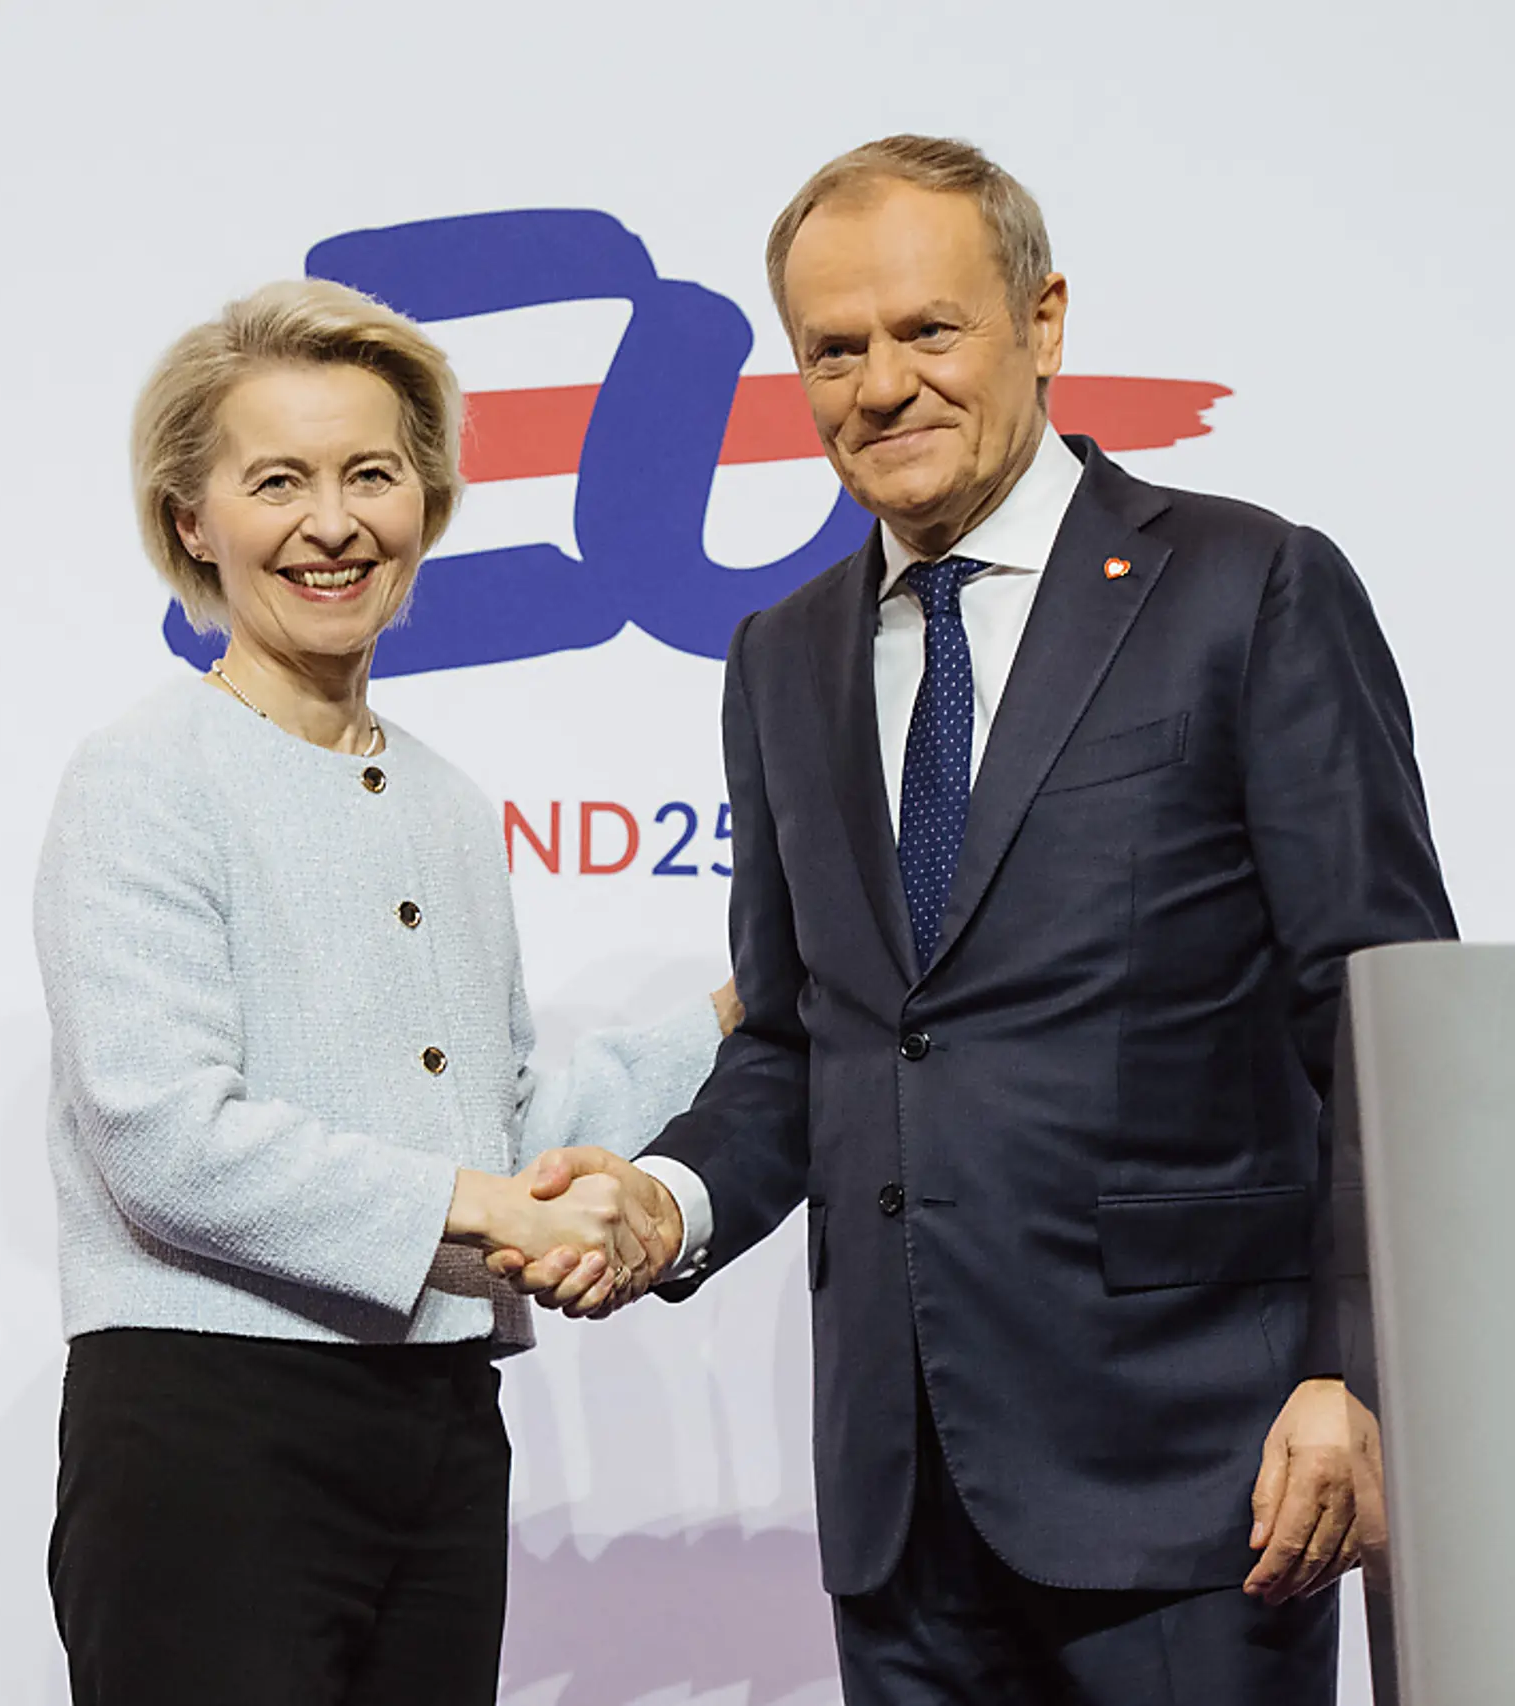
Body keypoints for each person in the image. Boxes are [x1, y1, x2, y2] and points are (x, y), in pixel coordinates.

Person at [503, 135, 1455, 1703]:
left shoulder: (1246, 585)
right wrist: (667, 1201)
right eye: (834, 349)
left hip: (1204, 1482)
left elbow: (1377, 1017)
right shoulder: (781, 654)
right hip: (901, 1503)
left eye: (927, 330)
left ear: (1045, 321)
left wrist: (1357, 1371)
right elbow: (809, 1032)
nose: (881, 386)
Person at [34, 277, 728, 1706]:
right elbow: (165, 1135)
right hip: (207, 1422)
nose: (333, 523)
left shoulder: (450, 805)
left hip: (440, 1420)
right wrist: (479, 1208)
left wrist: (735, 1018)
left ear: (430, 505)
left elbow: (512, 1114)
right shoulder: (145, 776)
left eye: (372, 474)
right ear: (193, 522)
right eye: (276, 480)